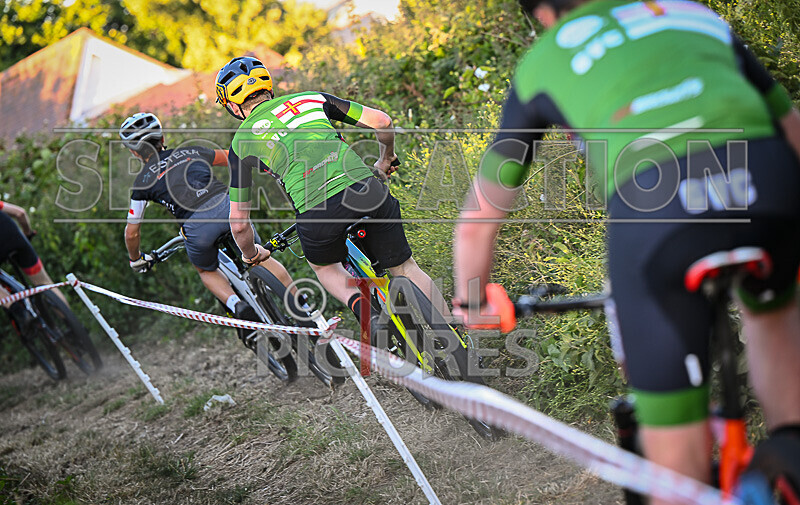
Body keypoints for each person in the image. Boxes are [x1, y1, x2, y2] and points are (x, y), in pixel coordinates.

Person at [452, 0, 800, 499]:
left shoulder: (546, 59)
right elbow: (792, 132)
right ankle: (790, 452)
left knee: (676, 469)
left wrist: (474, 300)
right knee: (772, 315)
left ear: (544, 14)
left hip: (657, 217)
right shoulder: (689, 12)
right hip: (769, 182)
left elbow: (476, 225)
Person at [214, 56, 450, 327]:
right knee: (406, 267)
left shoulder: (241, 142)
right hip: (366, 189)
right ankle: (460, 340)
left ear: (232, 105)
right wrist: (386, 159)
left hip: (317, 213)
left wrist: (250, 254)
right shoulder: (310, 99)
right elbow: (382, 122)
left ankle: (368, 315)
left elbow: (240, 224)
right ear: (269, 87)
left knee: (325, 268)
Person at [120, 112, 298, 346]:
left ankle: (237, 306)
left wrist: (136, 259)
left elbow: (131, 232)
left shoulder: (141, 183)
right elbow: (233, 157)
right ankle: (303, 308)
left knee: (207, 270)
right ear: (162, 137)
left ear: (134, 152)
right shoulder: (190, 151)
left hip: (196, 227)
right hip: (227, 206)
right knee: (257, 255)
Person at [0, 200, 66, 329]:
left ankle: (20, 312)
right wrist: (28, 233)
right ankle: (76, 329)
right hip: (14, 237)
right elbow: (20, 213)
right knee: (45, 283)